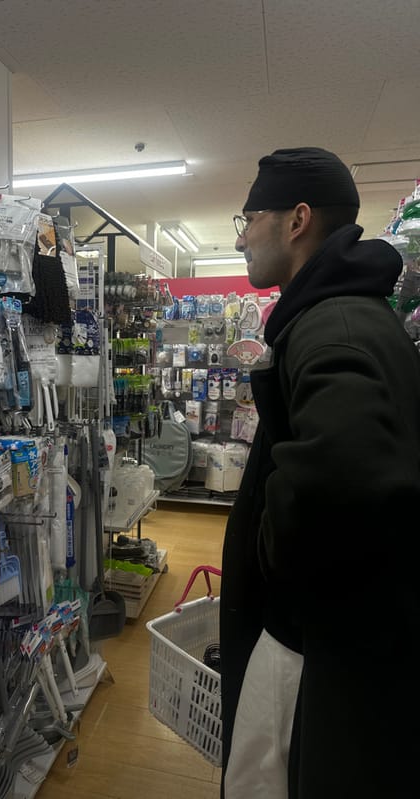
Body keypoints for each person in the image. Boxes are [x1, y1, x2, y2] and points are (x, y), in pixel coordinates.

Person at [220, 147, 420, 799]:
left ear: (297, 218)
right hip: (341, 646)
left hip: (321, 648)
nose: (243, 235)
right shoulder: (347, 313)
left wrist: (271, 540)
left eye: (250, 217)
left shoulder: (332, 325)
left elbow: (347, 475)